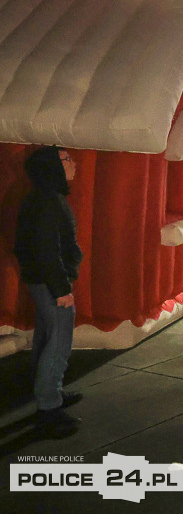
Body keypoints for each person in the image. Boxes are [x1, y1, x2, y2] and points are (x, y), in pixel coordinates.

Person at [14, 146, 84, 438]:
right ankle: (48, 408)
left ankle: (48, 393)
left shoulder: (44, 197)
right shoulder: (47, 202)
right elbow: (47, 251)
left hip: (42, 281)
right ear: (53, 167)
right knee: (57, 344)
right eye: (67, 159)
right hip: (50, 283)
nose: (74, 163)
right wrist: (61, 289)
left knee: (46, 338)